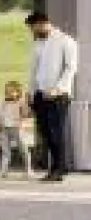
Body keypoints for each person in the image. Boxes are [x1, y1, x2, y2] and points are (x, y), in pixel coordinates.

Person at [27, 12, 78, 182]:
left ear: (43, 23)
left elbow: (70, 68)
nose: (32, 31)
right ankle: (58, 167)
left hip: (58, 95)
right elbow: (34, 72)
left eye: (33, 27)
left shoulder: (65, 41)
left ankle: (58, 169)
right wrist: (31, 93)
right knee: (45, 132)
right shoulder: (37, 44)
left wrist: (59, 88)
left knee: (56, 133)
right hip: (40, 95)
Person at [0, 81, 37, 179]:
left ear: (18, 92)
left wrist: (28, 106)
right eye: (7, 91)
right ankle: (3, 171)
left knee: (24, 149)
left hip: (17, 128)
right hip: (4, 129)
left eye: (12, 91)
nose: (9, 93)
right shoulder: (3, 102)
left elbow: (27, 114)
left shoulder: (21, 102)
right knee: (5, 151)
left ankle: (28, 170)